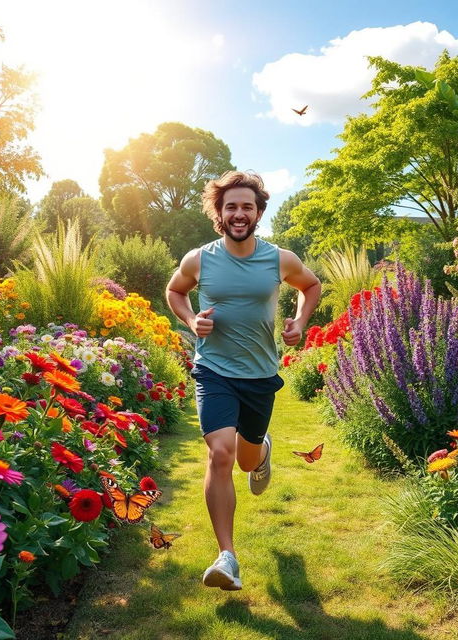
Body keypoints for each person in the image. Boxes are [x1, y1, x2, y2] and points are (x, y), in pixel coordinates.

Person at [165, 170, 321, 591]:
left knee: (247, 459)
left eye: (246, 207)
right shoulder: (199, 259)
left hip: (260, 374)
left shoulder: (278, 258)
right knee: (220, 453)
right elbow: (175, 291)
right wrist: (190, 318)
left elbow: (311, 285)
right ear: (219, 212)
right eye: (230, 206)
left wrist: (300, 321)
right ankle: (227, 557)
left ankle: (262, 449)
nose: (239, 213)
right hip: (214, 370)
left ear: (258, 212)